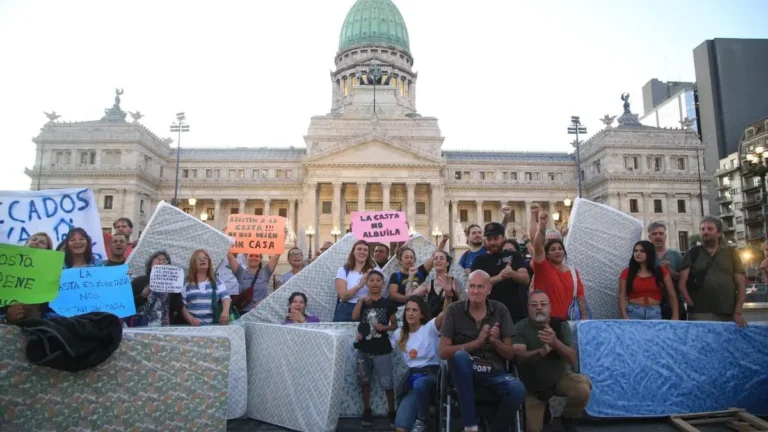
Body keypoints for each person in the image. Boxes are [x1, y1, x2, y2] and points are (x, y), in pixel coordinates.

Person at [439, 270, 526, 432]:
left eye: (480, 287)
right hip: (464, 373)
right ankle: (471, 426)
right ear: (467, 287)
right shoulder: (454, 310)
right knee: (460, 357)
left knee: (518, 390)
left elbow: (509, 354)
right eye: (472, 286)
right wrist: (476, 343)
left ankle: (496, 429)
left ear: (489, 289)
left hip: (494, 372)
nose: (475, 291)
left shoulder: (500, 310)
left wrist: (495, 341)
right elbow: (443, 352)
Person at [513, 291, 592, 432]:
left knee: (583, 389)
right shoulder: (520, 328)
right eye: (534, 304)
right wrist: (539, 352)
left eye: (543, 304)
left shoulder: (560, 325)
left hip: (559, 379)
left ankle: (568, 418)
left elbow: (572, 358)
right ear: (528, 308)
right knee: (532, 429)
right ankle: (545, 410)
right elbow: (519, 357)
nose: (538, 308)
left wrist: (555, 343)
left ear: (550, 307)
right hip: (533, 387)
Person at [390, 295, 451, 432]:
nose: (410, 313)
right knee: (401, 428)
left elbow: (445, 314)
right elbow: (384, 348)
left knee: (420, 383)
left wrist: (448, 296)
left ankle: (422, 420)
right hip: (412, 381)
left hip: (431, 376)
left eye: (415, 310)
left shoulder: (428, 329)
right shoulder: (399, 333)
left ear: (422, 314)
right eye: (408, 310)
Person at [679, 216, 747, 328]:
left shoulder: (731, 253)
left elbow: (741, 284)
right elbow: (682, 283)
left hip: (727, 312)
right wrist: (691, 303)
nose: (705, 232)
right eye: (702, 229)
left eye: (710, 229)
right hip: (700, 312)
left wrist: (737, 311)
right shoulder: (692, 253)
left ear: (719, 233)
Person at [351, 270, 398, 427]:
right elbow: (355, 317)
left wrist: (384, 327)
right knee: (364, 381)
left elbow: (395, 324)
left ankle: (391, 411)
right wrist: (360, 301)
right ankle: (366, 410)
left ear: (383, 284)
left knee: (387, 381)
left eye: (379, 280)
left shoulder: (388, 304)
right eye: (372, 280)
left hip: (382, 348)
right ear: (367, 283)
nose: (375, 283)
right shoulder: (364, 302)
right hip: (364, 347)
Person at [530, 206, 587, 320]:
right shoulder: (543, 268)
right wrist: (542, 226)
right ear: (547, 254)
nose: (557, 251)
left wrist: (584, 320)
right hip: (546, 321)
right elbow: (537, 245)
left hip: (569, 321)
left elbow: (580, 298)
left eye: (560, 248)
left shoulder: (573, 272)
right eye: (552, 249)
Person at [471, 222, 530, 323]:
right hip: (490, 315)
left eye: (496, 238)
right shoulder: (479, 260)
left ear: (503, 238)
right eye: (489, 239)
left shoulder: (514, 255)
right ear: (485, 241)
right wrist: (500, 277)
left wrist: (512, 274)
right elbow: (476, 286)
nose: (493, 242)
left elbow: (525, 279)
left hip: (516, 314)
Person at [1, 232, 56, 324]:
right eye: (33, 239)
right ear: (25, 244)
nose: (36, 242)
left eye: (42, 242)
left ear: (48, 251)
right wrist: (6, 317)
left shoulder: (51, 278)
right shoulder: (5, 270)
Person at [618, 241, 679, 320]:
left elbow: (672, 294)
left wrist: (675, 315)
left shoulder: (661, 271)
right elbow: (621, 296)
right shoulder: (626, 273)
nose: (638, 253)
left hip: (655, 312)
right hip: (633, 312)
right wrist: (624, 316)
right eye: (635, 251)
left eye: (642, 251)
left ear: (649, 253)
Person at [181, 249, 232, 326]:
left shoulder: (216, 280)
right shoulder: (186, 282)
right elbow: (181, 305)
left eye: (205, 258)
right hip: (193, 327)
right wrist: (190, 319)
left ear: (209, 262)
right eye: (198, 258)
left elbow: (226, 297)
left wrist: (225, 312)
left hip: (215, 326)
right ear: (193, 263)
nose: (202, 260)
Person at [648, 221, 686, 319]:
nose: (658, 236)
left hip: (674, 305)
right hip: (652, 305)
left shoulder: (676, 255)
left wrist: (670, 271)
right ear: (649, 237)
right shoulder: (646, 257)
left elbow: (684, 280)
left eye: (661, 233)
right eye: (654, 234)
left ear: (665, 236)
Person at [126, 251, 175, 327]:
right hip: (140, 325)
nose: (161, 262)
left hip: (165, 326)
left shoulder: (173, 284)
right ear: (150, 263)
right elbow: (128, 305)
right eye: (158, 259)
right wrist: (142, 296)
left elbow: (177, 306)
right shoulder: (138, 281)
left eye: (164, 260)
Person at [334, 240, 379, 322]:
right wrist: (360, 285)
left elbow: (378, 295)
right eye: (359, 249)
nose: (362, 252)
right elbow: (343, 296)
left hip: (367, 309)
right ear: (353, 252)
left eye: (365, 250)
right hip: (345, 310)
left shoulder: (375, 271)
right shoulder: (343, 271)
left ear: (368, 254)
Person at [411, 250, 462, 317]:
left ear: (447, 263)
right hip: (432, 323)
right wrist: (410, 277)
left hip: (450, 322)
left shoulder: (455, 282)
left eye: (441, 258)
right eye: (435, 259)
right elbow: (410, 296)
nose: (438, 260)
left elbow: (463, 303)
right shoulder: (428, 285)